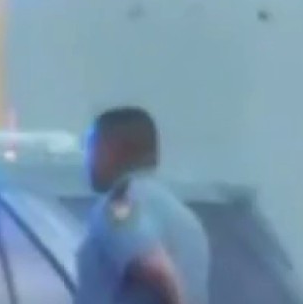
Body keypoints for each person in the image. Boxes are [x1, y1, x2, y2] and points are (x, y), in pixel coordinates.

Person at [74, 107, 210, 304]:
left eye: (91, 146)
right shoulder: (181, 214)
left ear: (111, 149)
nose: (87, 159)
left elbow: (155, 268)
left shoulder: (118, 206)